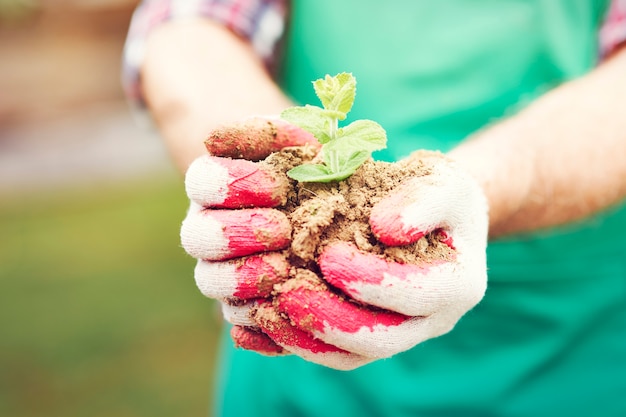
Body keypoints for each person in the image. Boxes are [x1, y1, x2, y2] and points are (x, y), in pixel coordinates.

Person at [123, 1, 626, 416]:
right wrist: (257, 175)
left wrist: (483, 184)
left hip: (565, 358)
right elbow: (188, 27)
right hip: (301, 372)